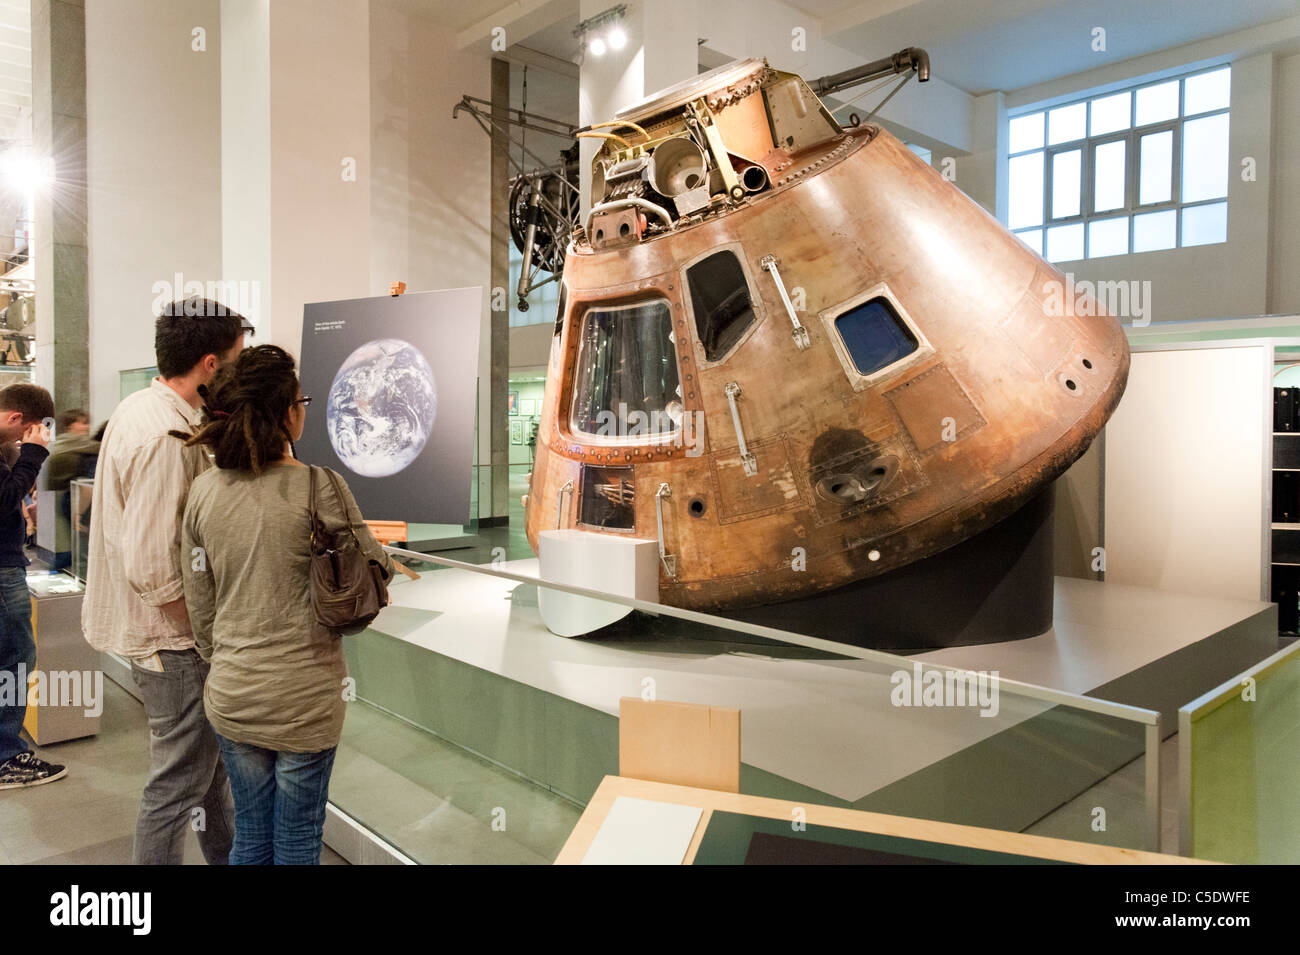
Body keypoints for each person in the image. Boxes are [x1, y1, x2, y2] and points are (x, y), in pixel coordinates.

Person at [180, 345, 393, 864]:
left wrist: (225, 657)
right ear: (287, 413)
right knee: (297, 837)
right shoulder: (320, 485)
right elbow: (374, 571)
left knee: (251, 833)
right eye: (301, 400)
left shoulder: (204, 491)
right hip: (305, 697)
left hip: (232, 692)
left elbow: (200, 602)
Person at [82, 296, 252, 864]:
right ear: (210, 363)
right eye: (236, 357)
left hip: (168, 639)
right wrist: (204, 638)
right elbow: (153, 565)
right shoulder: (163, 436)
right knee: (178, 786)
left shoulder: (144, 410)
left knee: (207, 779)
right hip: (173, 642)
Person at [0, 383, 61, 789]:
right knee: (17, 659)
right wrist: (34, 456)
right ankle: (7, 756)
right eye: (33, 430)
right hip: (3, 571)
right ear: (16, 419)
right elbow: (4, 499)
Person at [44, 408, 100, 571]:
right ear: (70, 425)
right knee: (78, 544)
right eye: (83, 423)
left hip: (67, 496)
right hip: (73, 497)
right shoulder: (78, 444)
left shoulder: (62, 443)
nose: (87, 427)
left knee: (74, 544)